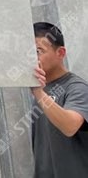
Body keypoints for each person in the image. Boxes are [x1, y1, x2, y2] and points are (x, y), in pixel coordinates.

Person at [32, 22, 88, 177]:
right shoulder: (42, 88)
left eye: (38, 51)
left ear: (61, 53)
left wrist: (39, 93)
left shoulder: (77, 88)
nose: (33, 59)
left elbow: (70, 126)